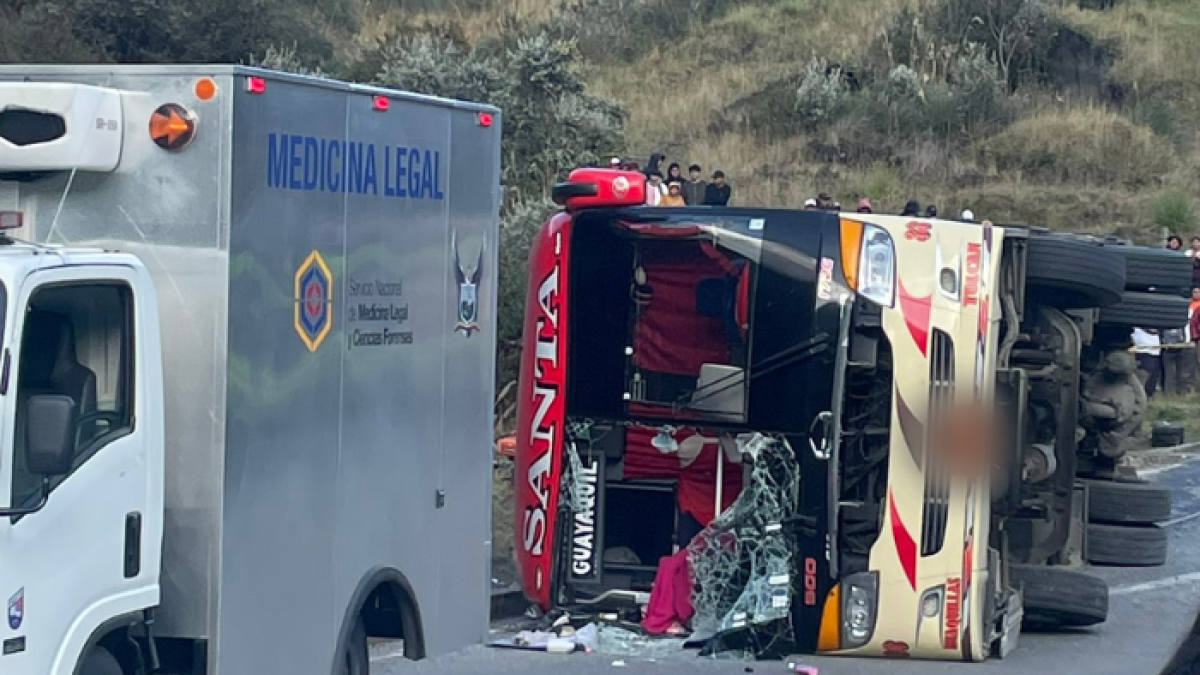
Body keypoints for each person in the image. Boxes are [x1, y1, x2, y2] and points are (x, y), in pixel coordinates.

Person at [1132, 327, 1163, 397]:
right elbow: (1152, 330)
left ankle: (1148, 395)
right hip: (1142, 351)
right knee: (1143, 377)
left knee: (1152, 378)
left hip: (1154, 351)